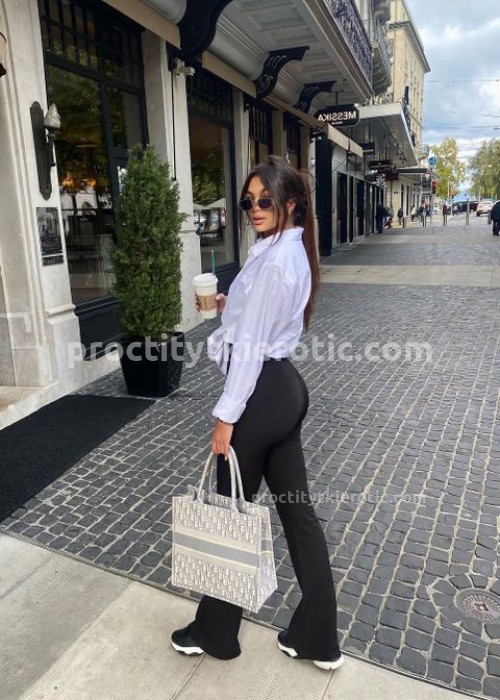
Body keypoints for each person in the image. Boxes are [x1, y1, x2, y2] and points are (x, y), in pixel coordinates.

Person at [171, 155, 343, 671]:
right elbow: (259, 327)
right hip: (282, 391)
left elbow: (247, 350)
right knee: (297, 512)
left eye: (265, 199)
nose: (255, 208)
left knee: (229, 513)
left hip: (260, 395)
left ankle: (215, 633)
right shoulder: (286, 252)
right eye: (248, 201)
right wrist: (231, 308)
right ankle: (318, 638)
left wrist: (226, 416)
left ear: (290, 202)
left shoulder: (275, 261)